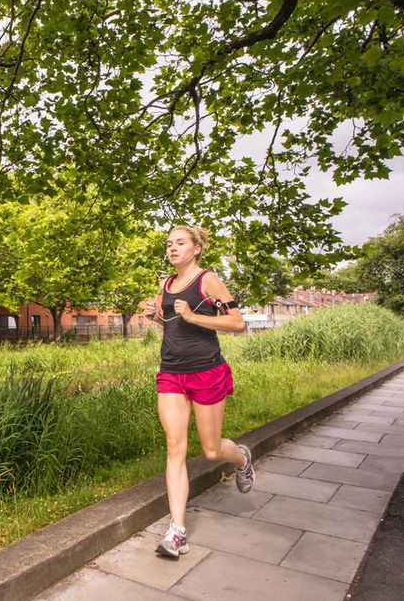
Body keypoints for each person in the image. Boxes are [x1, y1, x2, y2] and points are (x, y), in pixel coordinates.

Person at [142, 225, 254, 560]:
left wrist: (192, 315)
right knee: (175, 447)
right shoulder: (166, 284)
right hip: (171, 373)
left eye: (180, 243)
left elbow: (237, 323)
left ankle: (242, 458)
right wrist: (156, 317)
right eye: (169, 244)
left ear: (196, 248)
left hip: (207, 371)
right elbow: (175, 325)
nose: (172, 248)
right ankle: (177, 532)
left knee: (211, 450)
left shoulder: (207, 280)